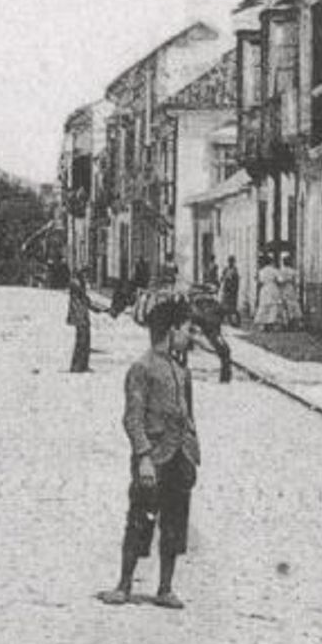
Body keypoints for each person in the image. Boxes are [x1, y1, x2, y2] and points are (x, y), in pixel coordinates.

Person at [97, 296, 199, 611]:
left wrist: (192, 449)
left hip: (179, 458)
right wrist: (143, 456)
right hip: (153, 460)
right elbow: (133, 418)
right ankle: (124, 585)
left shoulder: (182, 371)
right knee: (141, 520)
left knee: (175, 523)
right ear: (171, 331)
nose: (191, 336)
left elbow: (189, 414)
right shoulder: (142, 368)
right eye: (186, 329)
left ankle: (165, 588)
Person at [67, 269, 107, 373]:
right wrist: (99, 308)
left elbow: (86, 300)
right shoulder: (76, 283)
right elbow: (85, 300)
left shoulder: (78, 283)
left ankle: (82, 365)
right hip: (80, 315)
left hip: (81, 315)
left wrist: (100, 308)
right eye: (86, 275)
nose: (87, 277)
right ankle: (77, 366)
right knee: (82, 342)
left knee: (85, 341)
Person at [255, 250, 285, 331]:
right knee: (273, 306)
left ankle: (264, 324)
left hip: (264, 289)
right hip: (272, 287)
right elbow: (280, 280)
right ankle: (271, 323)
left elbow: (260, 281)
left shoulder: (261, 271)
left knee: (264, 306)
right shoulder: (274, 270)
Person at [277, 248, 303, 330]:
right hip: (291, 288)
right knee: (292, 305)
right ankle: (293, 323)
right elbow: (297, 281)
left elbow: (280, 280)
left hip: (284, 289)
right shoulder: (293, 271)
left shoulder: (281, 271)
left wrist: (281, 282)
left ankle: (285, 323)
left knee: (285, 306)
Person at [219, 256, 241, 327]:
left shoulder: (235, 270)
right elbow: (221, 278)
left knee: (232, 306)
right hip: (226, 289)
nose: (230, 263)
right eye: (229, 261)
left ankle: (235, 321)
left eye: (232, 261)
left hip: (232, 290)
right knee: (224, 305)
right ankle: (224, 320)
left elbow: (236, 281)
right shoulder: (226, 269)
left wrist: (234, 289)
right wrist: (223, 279)